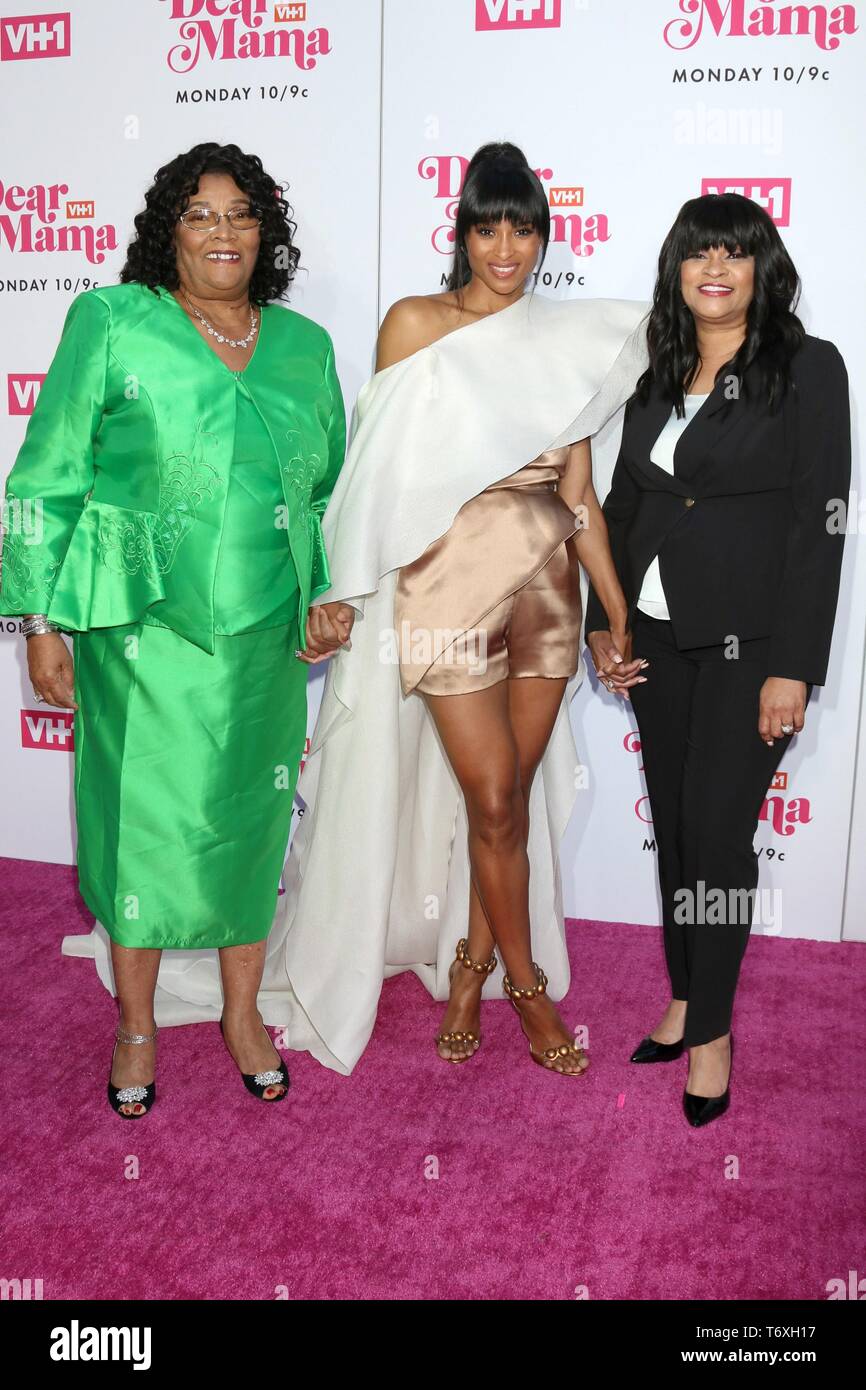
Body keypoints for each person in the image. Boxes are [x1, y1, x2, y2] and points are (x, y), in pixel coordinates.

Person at [245, 141, 649, 1076]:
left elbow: (579, 495)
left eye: (522, 228)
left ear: (545, 237)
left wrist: (614, 609)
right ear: (460, 232)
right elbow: (375, 479)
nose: (505, 247)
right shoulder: (415, 324)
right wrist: (341, 589)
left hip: (549, 585)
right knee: (493, 794)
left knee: (504, 812)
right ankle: (529, 986)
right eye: (486, 226)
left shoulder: (568, 340)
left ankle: (472, 968)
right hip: (444, 591)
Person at [0, 142, 347, 1116]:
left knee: (249, 823)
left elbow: (322, 491)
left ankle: (242, 1013)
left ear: (265, 231)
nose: (224, 231)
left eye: (241, 214)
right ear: (169, 231)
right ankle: (137, 1025)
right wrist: (41, 618)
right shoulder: (112, 322)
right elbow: (47, 473)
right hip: (137, 636)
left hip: (265, 635)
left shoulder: (303, 347)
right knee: (139, 831)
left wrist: (324, 592)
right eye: (200, 214)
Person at [586, 192, 851, 1127]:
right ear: (679, 268)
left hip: (752, 651)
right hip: (655, 636)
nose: (716, 268)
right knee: (680, 832)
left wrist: (795, 666)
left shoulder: (808, 370)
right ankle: (688, 996)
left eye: (735, 253)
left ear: (761, 268)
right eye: (700, 252)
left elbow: (823, 528)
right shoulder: (658, 371)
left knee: (716, 837)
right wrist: (601, 622)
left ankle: (713, 1035)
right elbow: (621, 507)